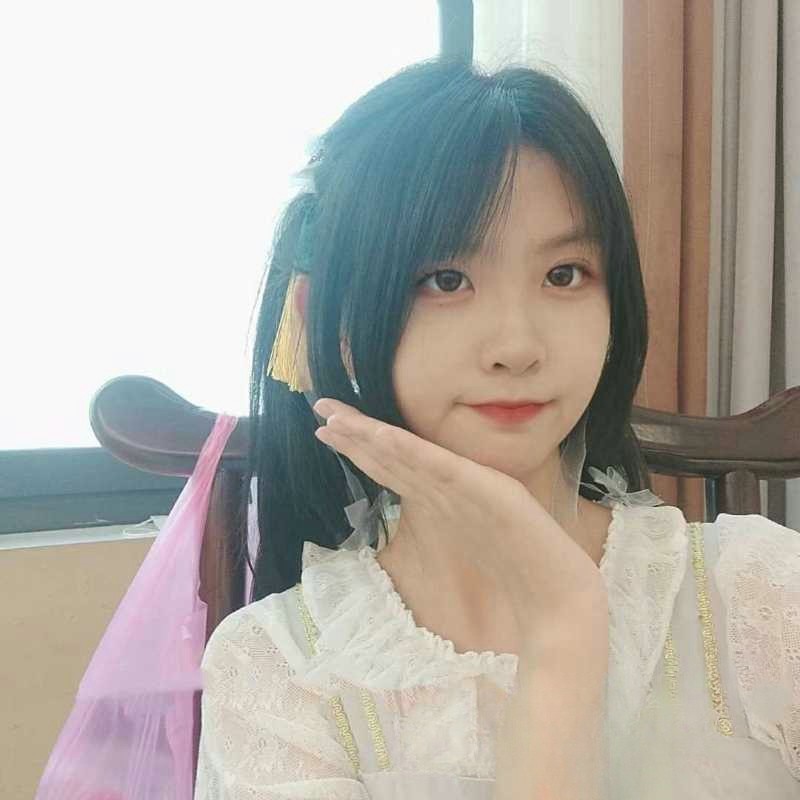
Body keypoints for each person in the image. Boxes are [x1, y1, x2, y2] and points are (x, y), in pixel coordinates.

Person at [193, 58, 800, 799]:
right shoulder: (277, 671)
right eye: (445, 281)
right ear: (330, 323)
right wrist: (562, 626)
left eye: (564, 274)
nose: (517, 346)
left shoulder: (759, 591)